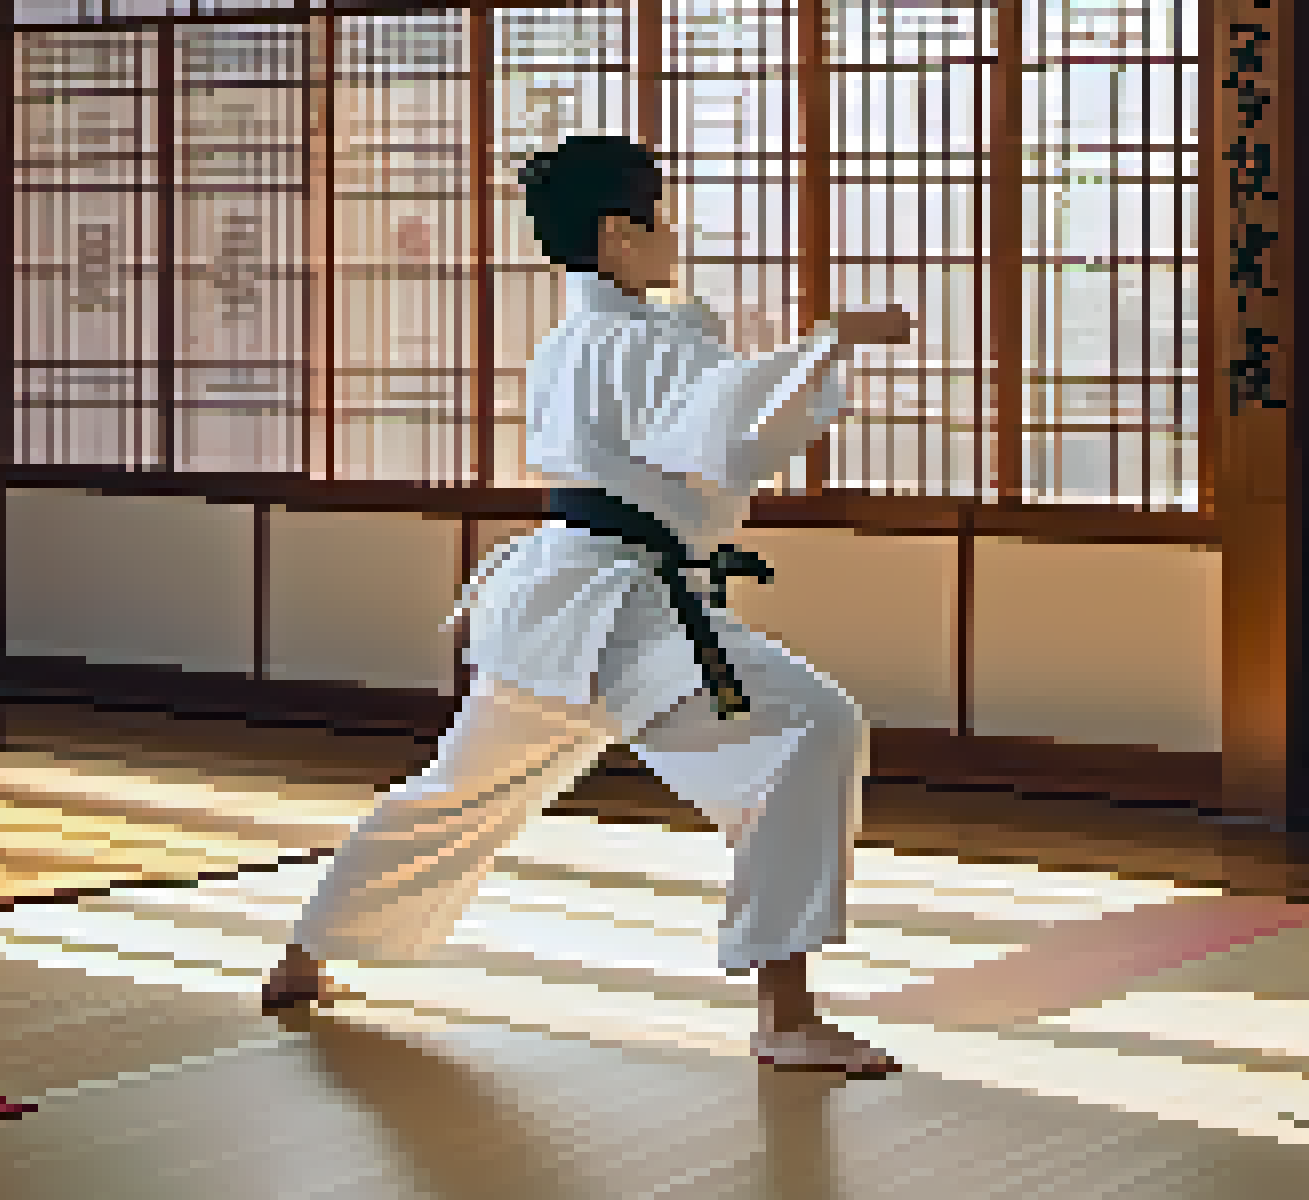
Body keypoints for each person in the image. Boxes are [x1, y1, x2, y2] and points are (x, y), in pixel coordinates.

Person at [261, 134, 914, 1075]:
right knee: (813, 725)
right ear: (619, 234)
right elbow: (723, 433)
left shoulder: (584, 338)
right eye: (663, 215)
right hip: (623, 613)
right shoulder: (628, 340)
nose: (675, 233)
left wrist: (790, 349)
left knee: (456, 795)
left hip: (556, 610)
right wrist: (831, 341)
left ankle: (301, 957)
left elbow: (708, 410)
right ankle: (786, 1013)